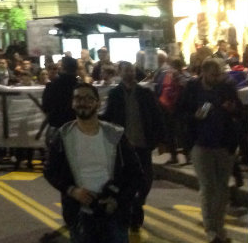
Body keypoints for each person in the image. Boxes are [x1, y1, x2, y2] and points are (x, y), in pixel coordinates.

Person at [44, 83, 145, 243]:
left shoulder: (115, 135)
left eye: (88, 98)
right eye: (78, 98)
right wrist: (72, 191)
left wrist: (117, 199)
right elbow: (50, 170)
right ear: (72, 103)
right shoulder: (63, 136)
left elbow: (136, 173)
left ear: (98, 103)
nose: (82, 102)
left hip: (114, 213)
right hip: (79, 214)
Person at [179, 57, 241, 243]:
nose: (217, 77)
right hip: (200, 145)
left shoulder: (226, 87)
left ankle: (219, 228)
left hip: (223, 144)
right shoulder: (192, 88)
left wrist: (232, 108)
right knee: (208, 187)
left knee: (222, 189)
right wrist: (194, 116)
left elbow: (239, 111)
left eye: (219, 74)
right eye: (214, 74)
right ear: (204, 72)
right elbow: (180, 113)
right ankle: (211, 230)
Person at [101, 59, 165, 233]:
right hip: (123, 147)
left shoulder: (145, 93)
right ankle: (132, 214)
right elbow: (108, 116)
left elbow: (157, 116)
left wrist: (159, 139)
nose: (130, 73)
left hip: (143, 145)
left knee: (145, 181)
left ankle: (138, 203)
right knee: (125, 182)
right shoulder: (115, 94)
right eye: (126, 71)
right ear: (120, 73)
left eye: (132, 70)